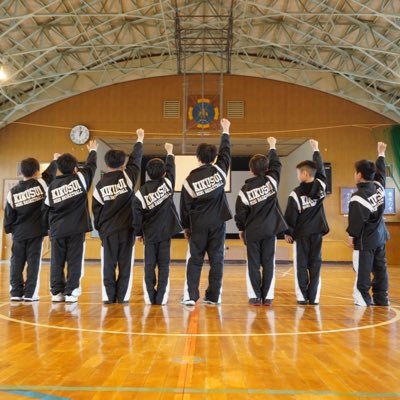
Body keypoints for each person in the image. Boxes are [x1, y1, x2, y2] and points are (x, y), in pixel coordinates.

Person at [180, 118, 232, 306]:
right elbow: (226, 153)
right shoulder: (220, 171)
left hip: (198, 225)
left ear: (198, 157)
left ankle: (190, 296)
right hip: (218, 223)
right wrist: (225, 131)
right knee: (217, 260)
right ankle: (213, 297)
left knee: (195, 260)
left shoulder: (189, 179)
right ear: (214, 156)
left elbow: (184, 206)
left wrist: (186, 226)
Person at [92, 129, 144, 304]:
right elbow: (136, 160)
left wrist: (100, 229)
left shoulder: (100, 185)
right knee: (125, 264)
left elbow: (96, 210)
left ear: (106, 165)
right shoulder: (129, 177)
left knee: (108, 264)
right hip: (128, 230)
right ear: (123, 164)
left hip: (108, 231)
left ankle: (108, 296)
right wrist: (139, 140)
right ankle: (122, 297)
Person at [43, 140, 98, 303]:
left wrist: (47, 229)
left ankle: (56, 292)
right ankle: (71, 292)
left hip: (57, 229)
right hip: (76, 229)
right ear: (75, 168)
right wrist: (93, 151)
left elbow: (46, 209)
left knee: (56, 261)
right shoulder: (80, 178)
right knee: (75, 260)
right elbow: (91, 167)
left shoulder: (52, 185)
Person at [235, 137, 287, 306]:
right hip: (270, 230)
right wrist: (272, 146)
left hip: (252, 232)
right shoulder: (271, 181)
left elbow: (240, 212)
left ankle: (255, 297)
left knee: (253, 264)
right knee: (268, 263)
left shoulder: (245, 190)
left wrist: (241, 229)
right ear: (266, 169)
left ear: (250, 170)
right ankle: (268, 297)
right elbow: (277, 165)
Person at [4, 155, 59, 301]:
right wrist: (55, 160)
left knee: (16, 262)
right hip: (36, 232)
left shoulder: (13, 191)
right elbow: (51, 172)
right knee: (33, 262)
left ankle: (16, 292)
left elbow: (9, 215)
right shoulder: (42, 183)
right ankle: (30, 294)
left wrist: (9, 229)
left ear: (22, 172)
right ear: (36, 172)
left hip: (19, 233)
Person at [133, 142, 182, 305]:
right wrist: (170, 153)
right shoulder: (167, 183)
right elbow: (172, 170)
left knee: (149, 265)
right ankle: (161, 297)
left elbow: (137, 216)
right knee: (164, 265)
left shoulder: (140, 193)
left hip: (149, 234)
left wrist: (138, 233)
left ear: (147, 173)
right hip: (165, 233)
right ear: (164, 173)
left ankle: (149, 297)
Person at [284, 139, 329, 305]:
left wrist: (288, 232)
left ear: (304, 174)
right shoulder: (322, 186)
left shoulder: (295, 194)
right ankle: (314, 297)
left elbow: (290, 215)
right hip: (317, 232)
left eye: (298, 173)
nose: (297, 176)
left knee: (301, 266)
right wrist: (316, 150)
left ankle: (302, 297)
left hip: (301, 234)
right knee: (315, 264)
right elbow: (321, 170)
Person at [347, 142, 390, 307]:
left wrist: (352, 237)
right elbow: (381, 172)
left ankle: (363, 299)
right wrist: (381, 153)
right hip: (380, 236)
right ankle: (381, 299)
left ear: (359, 175)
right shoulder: (378, 187)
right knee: (380, 270)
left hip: (365, 241)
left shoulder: (359, 196)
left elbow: (356, 222)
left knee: (362, 272)